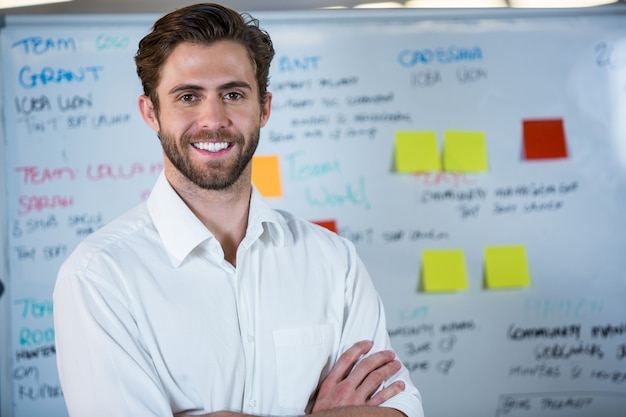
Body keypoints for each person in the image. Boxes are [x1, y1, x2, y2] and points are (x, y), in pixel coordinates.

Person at [53, 3, 424, 417]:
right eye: (188, 97)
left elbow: (397, 410)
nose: (213, 119)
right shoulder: (99, 277)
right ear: (151, 113)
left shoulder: (334, 261)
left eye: (233, 94)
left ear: (263, 108)